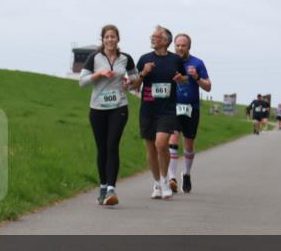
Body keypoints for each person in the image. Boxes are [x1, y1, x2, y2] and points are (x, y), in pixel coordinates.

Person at [78, 25, 138, 207]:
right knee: (102, 148)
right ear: (102, 39)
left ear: (118, 39)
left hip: (118, 106)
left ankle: (111, 188)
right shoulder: (94, 58)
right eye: (107, 37)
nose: (110, 40)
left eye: (113, 37)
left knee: (112, 145)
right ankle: (103, 186)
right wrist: (99, 73)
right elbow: (82, 82)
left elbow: (135, 80)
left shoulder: (125, 59)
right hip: (97, 108)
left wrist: (129, 82)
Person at [130, 26, 188, 200]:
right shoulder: (144, 59)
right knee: (150, 148)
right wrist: (143, 73)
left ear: (165, 40)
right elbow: (133, 86)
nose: (152, 39)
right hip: (148, 109)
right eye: (152, 36)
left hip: (167, 110)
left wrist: (181, 79)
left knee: (161, 144)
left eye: (155, 36)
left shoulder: (175, 60)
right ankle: (156, 182)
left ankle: (164, 179)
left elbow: (184, 79)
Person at [166, 33, 211, 194]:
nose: (180, 48)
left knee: (189, 143)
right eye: (177, 45)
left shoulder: (197, 63)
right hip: (173, 107)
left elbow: (208, 86)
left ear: (189, 47)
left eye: (183, 45)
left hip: (192, 107)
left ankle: (186, 173)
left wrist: (197, 77)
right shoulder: (169, 61)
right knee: (173, 137)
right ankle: (172, 177)